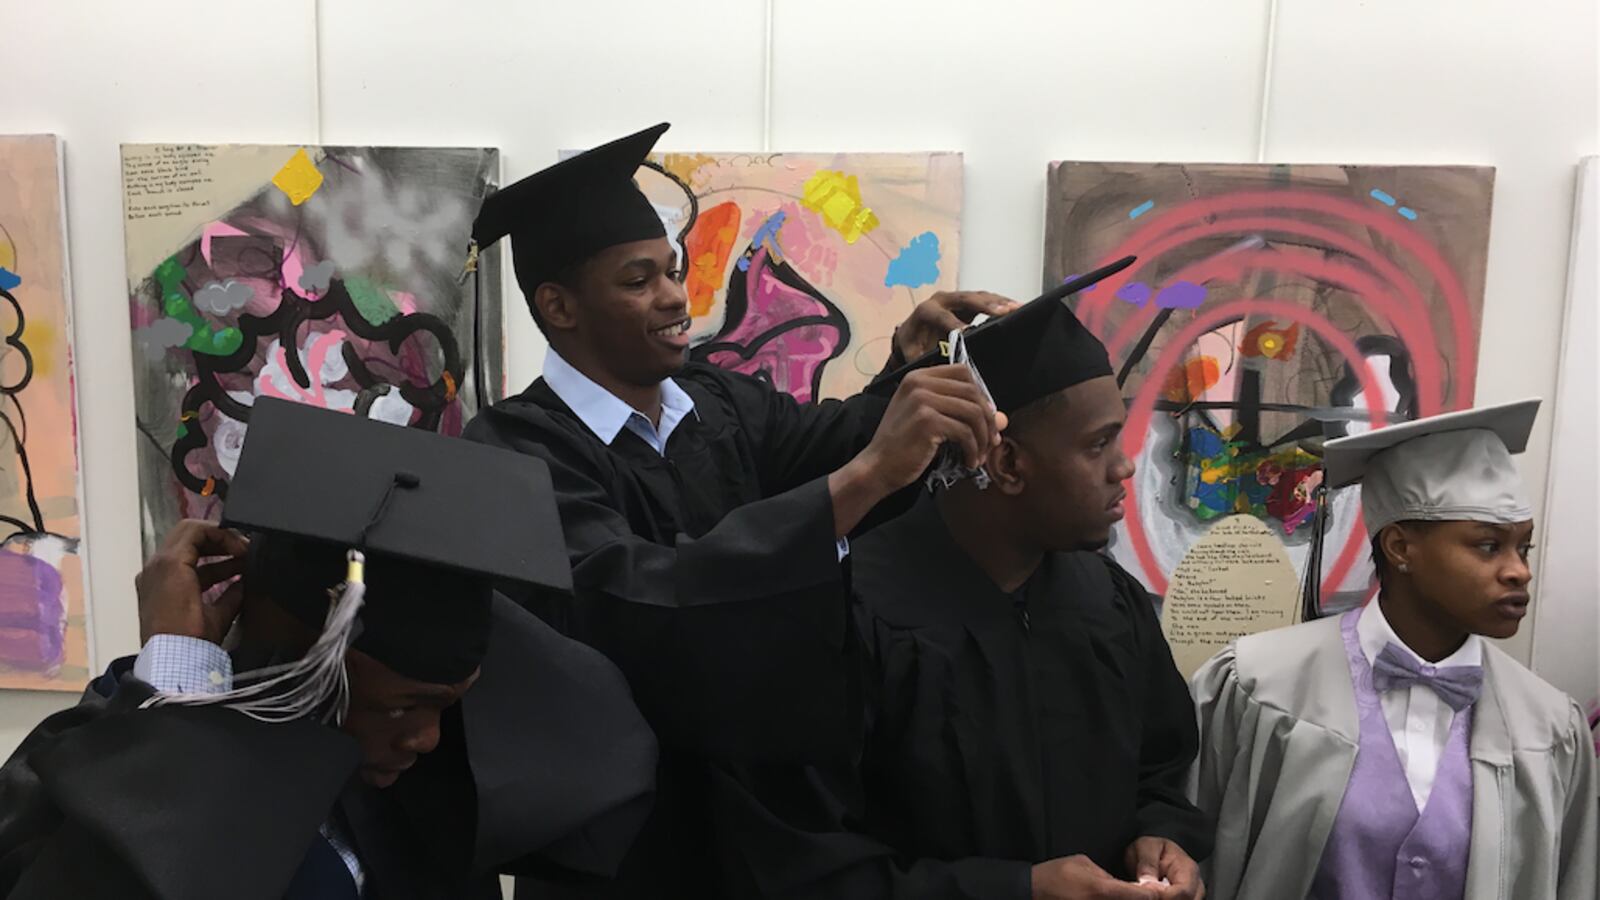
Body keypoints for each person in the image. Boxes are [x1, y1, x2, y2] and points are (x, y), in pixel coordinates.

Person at [463, 123, 1017, 898]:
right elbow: (635, 593)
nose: (673, 297)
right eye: (637, 280)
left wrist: (911, 366)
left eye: (672, 270)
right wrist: (863, 479)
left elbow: (833, 443)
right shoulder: (517, 448)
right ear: (558, 306)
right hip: (631, 841)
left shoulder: (718, 401)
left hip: (766, 823)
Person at [0, 397, 657, 899]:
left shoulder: (423, 786)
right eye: (404, 707)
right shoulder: (117, 732)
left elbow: (596, 754)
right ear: (302, 654)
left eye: (444, 706)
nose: (427, 738)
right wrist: (180, 679)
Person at [710, 296, 1211, 900]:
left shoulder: (1107, 601)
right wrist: (1013, 890)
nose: (1124, 468)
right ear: (1005, 463)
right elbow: (800, 864)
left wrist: (1160, 834)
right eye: (1098, 445)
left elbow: (1159, 766)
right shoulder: (847, 618)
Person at [1192, 399, 1599, 900]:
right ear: (1400, 548)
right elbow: (1194, 859)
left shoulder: (1550, 726)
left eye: (1524, 548)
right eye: (1488, 546)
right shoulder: (1259, 685)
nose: (1520, 571)